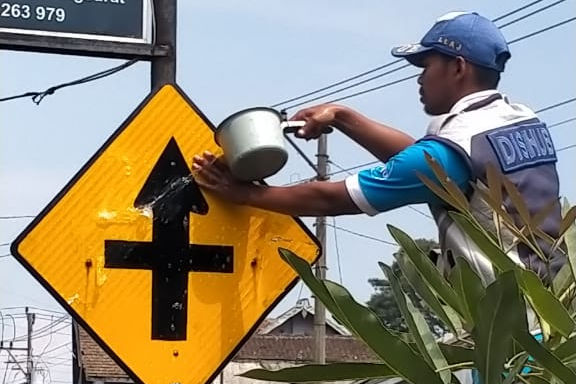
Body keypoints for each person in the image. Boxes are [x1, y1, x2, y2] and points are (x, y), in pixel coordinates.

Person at [192, 11, 564, 286]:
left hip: (508, 333)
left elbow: (333, 199)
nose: (419, 76)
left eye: (425, 64)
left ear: (458, 68)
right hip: (550, 316)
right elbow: (424, 163)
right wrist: (342, 116)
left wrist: (245, 194)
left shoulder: (454, 148)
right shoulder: (516, 119)